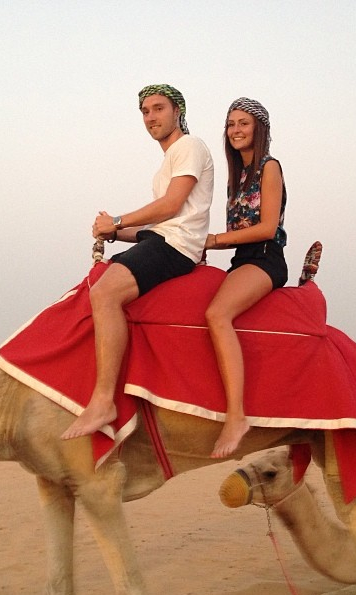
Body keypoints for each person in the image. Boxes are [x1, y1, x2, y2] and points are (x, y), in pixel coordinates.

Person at [61, 84, 214, 440]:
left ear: (178, 111)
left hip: (176, 247)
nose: (150, 117)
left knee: (104, 294)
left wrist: (117, 221)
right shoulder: (167, 164)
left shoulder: (189, 146)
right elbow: (155, 224)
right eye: (145, 111)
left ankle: (103, 401)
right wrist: (113, 233)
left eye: (158, 108)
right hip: (163, 239)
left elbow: (171, 207)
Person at [205, 97, 287, 458]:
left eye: (243, 123)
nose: (235, 130)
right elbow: (236, 233)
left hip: (266, 258)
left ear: (259, 129)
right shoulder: (235, 178)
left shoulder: (270, 167)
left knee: (216, 314)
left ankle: (236, 416)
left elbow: (267, 227)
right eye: (231, 124)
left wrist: (215, 239)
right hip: (241, 259)